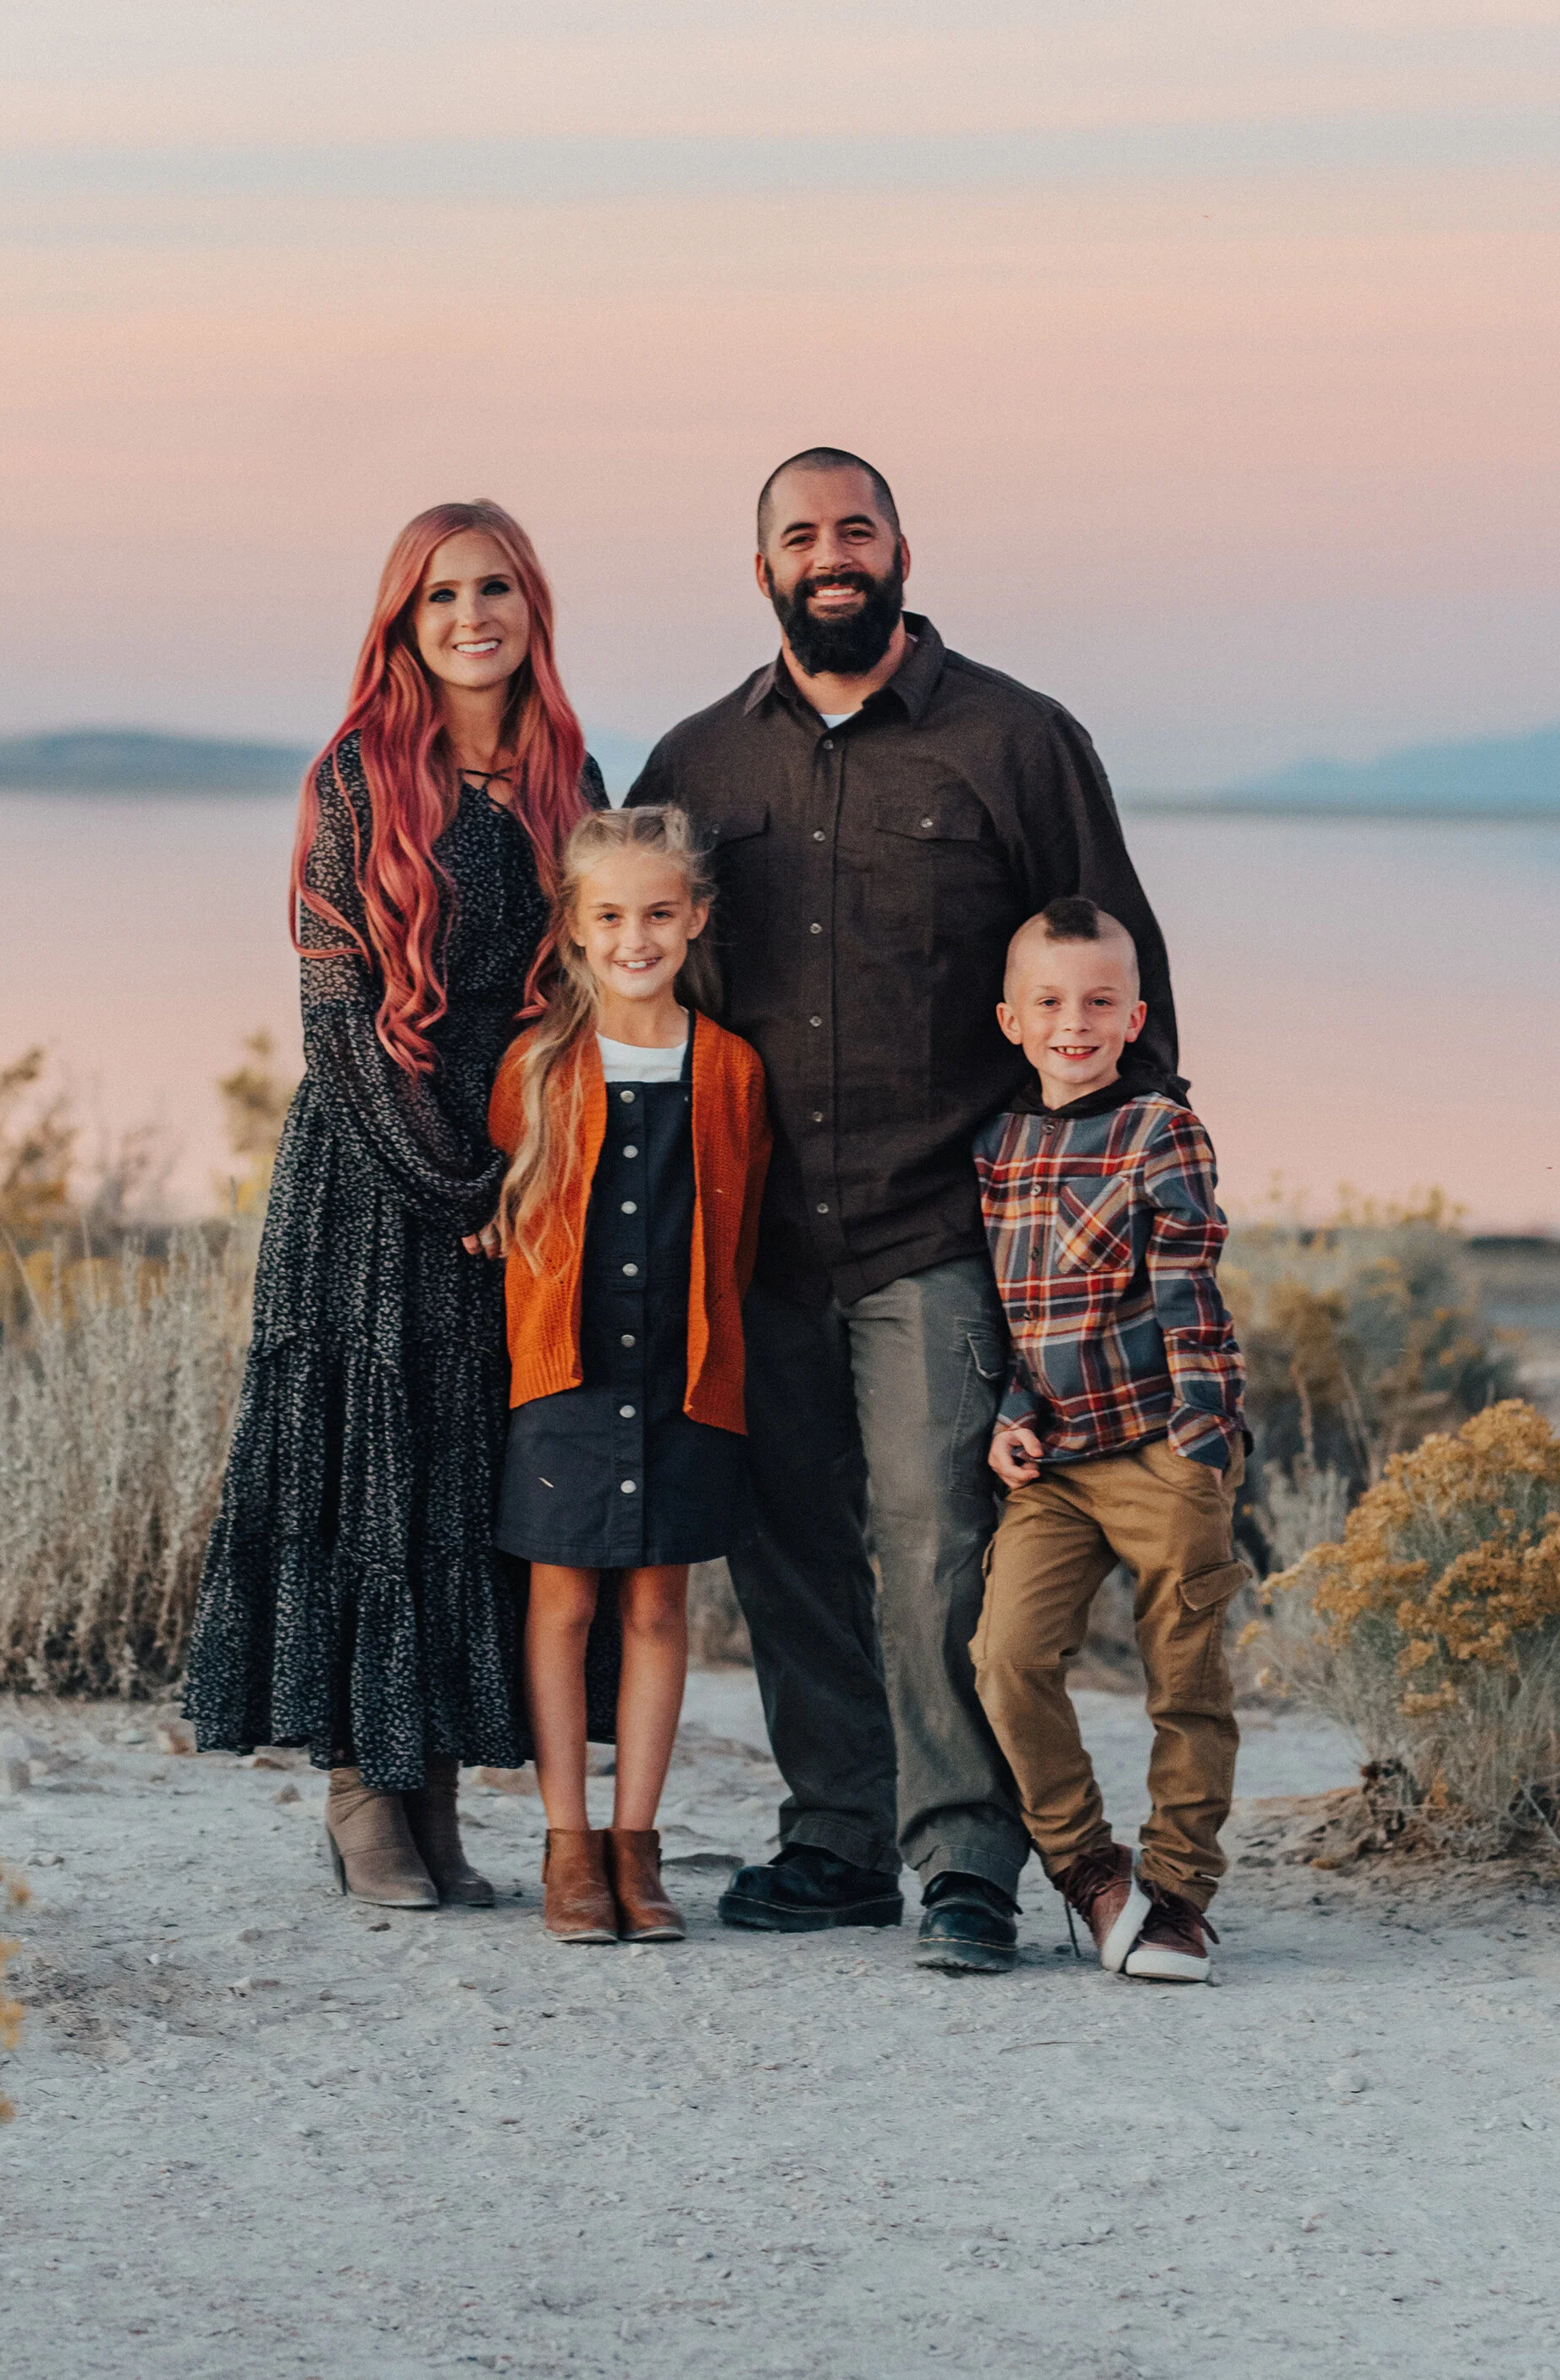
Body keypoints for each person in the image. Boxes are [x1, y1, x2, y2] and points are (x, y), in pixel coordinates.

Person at [630, 446, 1181, 1974]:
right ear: (762, 573)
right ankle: (835, 1842)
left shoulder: (1017, 741)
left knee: (942, 1543)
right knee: (788, 1542)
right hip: (755, 1235)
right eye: (799, 535)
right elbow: (627, 980)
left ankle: (963, 1865)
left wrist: (1130, 1201)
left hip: (947, 1228)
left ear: (902, 551)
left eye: (854, 528)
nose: (830, 554)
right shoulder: (693, 763)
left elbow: (1126, 983)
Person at [185, 500, 603, 1908]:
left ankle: (433, 1800)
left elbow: (593, 986)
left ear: (532, 606)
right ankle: (363, 1797)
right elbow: (336, 1011)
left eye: (494, 588)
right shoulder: (359, 773)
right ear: (403, 625)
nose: (471, 615)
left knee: (464, 1475)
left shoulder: (571, 776)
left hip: (519, 1168)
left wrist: (537, 1168)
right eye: (439, 597)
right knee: (367, 1465)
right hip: (375, 1173)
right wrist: (451, 1183)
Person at [489, 806, 772, 1945]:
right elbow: (517, 1218)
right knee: (560, 1605)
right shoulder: (540, 1063)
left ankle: (636, 1845)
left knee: (659, 1606)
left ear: (696, 917)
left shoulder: (732, 1067)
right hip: (562, 1373)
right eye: (610, 915)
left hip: (684, 1372)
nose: (636, 935)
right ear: (575, 926)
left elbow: (739, 1234)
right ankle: (567, 1843)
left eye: (659, 911)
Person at [969, 896, 1247, 1982]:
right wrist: (1006, 1414)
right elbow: (1003, 1308)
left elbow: (1191, 1284)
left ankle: (1177, 1894)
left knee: (1184, 1676)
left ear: (1136, 1017)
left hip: (1159, 1447)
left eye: (1098, 1000)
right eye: (1049, 1001)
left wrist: (1204, 1438)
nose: (1072, 1021)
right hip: (1055, 1467)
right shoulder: (997, 1143)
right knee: (1007, 1659)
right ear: (1010, 1019)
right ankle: (1089, 1868)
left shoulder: (1161, 1130)